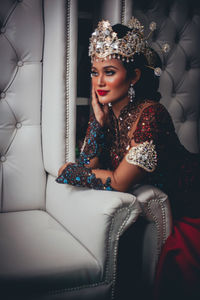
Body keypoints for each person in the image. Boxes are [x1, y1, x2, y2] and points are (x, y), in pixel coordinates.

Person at [56, 18, 200, 299]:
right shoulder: (110, 115)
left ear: (133, 76)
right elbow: (90, 167)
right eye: (95, 72)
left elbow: (119, 182)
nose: (99, 82)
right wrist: (97, 122)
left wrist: (69, 172)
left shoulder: (151, 115)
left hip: (193, 200)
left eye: (109, 72)